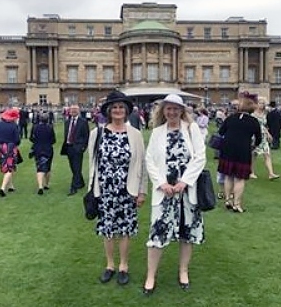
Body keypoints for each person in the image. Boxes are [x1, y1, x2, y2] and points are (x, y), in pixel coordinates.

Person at [143, 94, 206, 294]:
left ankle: (183, 271)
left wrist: (184, 182)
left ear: (182, 110)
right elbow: (150, 160)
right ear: (163, 111)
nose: (171, 112)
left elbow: (200, 157)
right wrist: (162, 183)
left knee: (186, 234)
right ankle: (151, 275)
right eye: (168, 109)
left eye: (175, 109)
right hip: (164, 193)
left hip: (187, 193)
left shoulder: (191, 129)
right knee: (157, 235)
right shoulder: (157, 132)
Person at [87, 90, 147, 286]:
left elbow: (142, 165)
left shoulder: (136, 134)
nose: (118, 111)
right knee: (107, 229)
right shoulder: (97, 133)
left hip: (127, 190)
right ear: (109, 111)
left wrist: (142, 191)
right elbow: (92, 165)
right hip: (105, 190)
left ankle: (123, 265)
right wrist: (92, 190)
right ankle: (110, 265)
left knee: (125, 230)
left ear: (127, 110)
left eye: (122, 107)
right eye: (115, 108)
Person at [217, 92, 262, 213]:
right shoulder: (254, 121)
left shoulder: (230, 118)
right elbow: (259, 139)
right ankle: (237, 204)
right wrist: (253, 146)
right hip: (243, 150)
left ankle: (228, 200)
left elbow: (221, 132)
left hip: (227, 149)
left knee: (228, 176)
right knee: (240, 178)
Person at [61, 104, 89, 195]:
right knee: (73, 168)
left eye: (75, 110)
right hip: (69, 147)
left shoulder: (83, 122)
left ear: (78, 111)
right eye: (71, 110)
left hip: (78, 148)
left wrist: (83, 147)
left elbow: (86, 136)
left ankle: (73, 188)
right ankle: (81, 183)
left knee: (77, 168)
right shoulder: (67, 122)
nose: (73, 111)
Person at [0, 108, 21, 197]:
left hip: (0, 147)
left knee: (4, 165)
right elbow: (17, 139)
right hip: (10, 147)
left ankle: (10, 186)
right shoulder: (14, 126)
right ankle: (3, 188)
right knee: (10, 167)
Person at [250, 98, 280, 180]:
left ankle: (271, 173)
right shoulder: (252, 114)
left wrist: (268, 134)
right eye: (260, 103)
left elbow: (263, 126)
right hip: (255, 136)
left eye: (263, 103)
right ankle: (251, 172)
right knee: (254, 155)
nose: (261, 105)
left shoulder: (264, 114)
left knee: (267, 154)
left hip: (263, 136)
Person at [29, 112, 56, 195]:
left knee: (40, 167)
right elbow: (53, 140)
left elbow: (31, 138)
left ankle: (40, 186)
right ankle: (46, 184)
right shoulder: (50, 127)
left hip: (38, 149)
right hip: (48, 149)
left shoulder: (35, 127)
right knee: (48, 167)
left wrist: (36, 142)